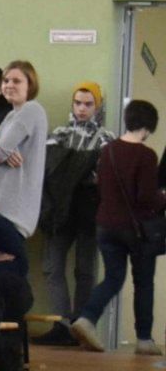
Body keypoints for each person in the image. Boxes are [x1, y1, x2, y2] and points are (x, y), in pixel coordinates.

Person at [71, 99, 163, 355]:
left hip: (105, 224)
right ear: (148, 127)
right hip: (136, 229)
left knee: (113, 277)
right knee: (143, 282)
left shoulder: (108, 150)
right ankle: (144, 339)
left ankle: (87, 318)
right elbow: (146, 197)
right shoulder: (146, 155)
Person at [38, 80, 109, 333]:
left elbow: (106, 178)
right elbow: (46, 171)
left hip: (89, 210)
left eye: (89, 104)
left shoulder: (105, 139)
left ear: (97, 106)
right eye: (78, 103)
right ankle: (61, 325)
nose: (82, 109)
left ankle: (81, 324)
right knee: (52, 267)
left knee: (85, 269)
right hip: (59, 208)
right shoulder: (59, 134)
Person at [0, 59, 48, 238]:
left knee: (6, 265)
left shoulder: (31, 109)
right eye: (6, 81)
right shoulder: (12, 115)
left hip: (12, 215)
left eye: (17, 81)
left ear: (30, 85)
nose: (9, 85)